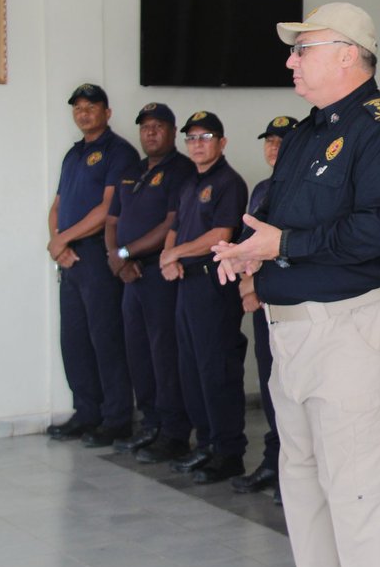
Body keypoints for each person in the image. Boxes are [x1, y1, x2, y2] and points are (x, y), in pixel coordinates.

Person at [212, 2, 380, 567]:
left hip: (356, 333)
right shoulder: (310, 130)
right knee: (305, 496)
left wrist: (285, 244)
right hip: (295, 337)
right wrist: (253, 252)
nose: (290, 60)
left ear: (347, 54)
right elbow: (283, 222)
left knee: (365, 502)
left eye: (302, 49)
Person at [46, 83, 138, 445]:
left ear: (107, 112)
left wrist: (62, 239)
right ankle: (86, 414)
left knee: (106, 339)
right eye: (78, 108)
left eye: (91, 107)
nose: (84, 113)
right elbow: (56, 206)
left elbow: (107, 210)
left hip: (98, 256)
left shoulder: (119, 152)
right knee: (75, 340)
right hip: (70, 259)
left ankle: (115, 420)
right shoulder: (73, 155)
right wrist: (58, 245)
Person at [103, 103, 196, 460]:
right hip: (130, 276)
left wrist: (124, 254)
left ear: (173, 132)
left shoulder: (182, 170)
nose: (151, 133)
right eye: (145, 127)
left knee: (164, 354)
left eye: (159, 127)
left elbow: (169, 225)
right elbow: (112, 221)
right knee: (138, 352)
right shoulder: (131, 170)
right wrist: (117, 259)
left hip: (159, 274)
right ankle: (151, 423)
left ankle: (173, 432)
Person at [160, 111, 249, 484]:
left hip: (215, 285)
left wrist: (175, 254)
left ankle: (229, 451)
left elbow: (221, 233)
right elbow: (175, 229)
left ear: (222, 142)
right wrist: (169, 257)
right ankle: (207, 443)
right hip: (187, 284)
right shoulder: (188, 183)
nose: (197, 144)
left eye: (205, 136)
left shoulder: (229, 182)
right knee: (191, 367)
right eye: (191, 138)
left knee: (217, 368)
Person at [233, 114, 299, 503]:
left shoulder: (302, 189)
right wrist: (246, 284)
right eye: (269, 142)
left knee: (293, 388)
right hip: (260, 301)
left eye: (282, 141)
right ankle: (274, 462)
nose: (274, 148)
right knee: (270, 382)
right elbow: (246, 244)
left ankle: (294, 472)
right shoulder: (261, 189)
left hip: (288, 301)